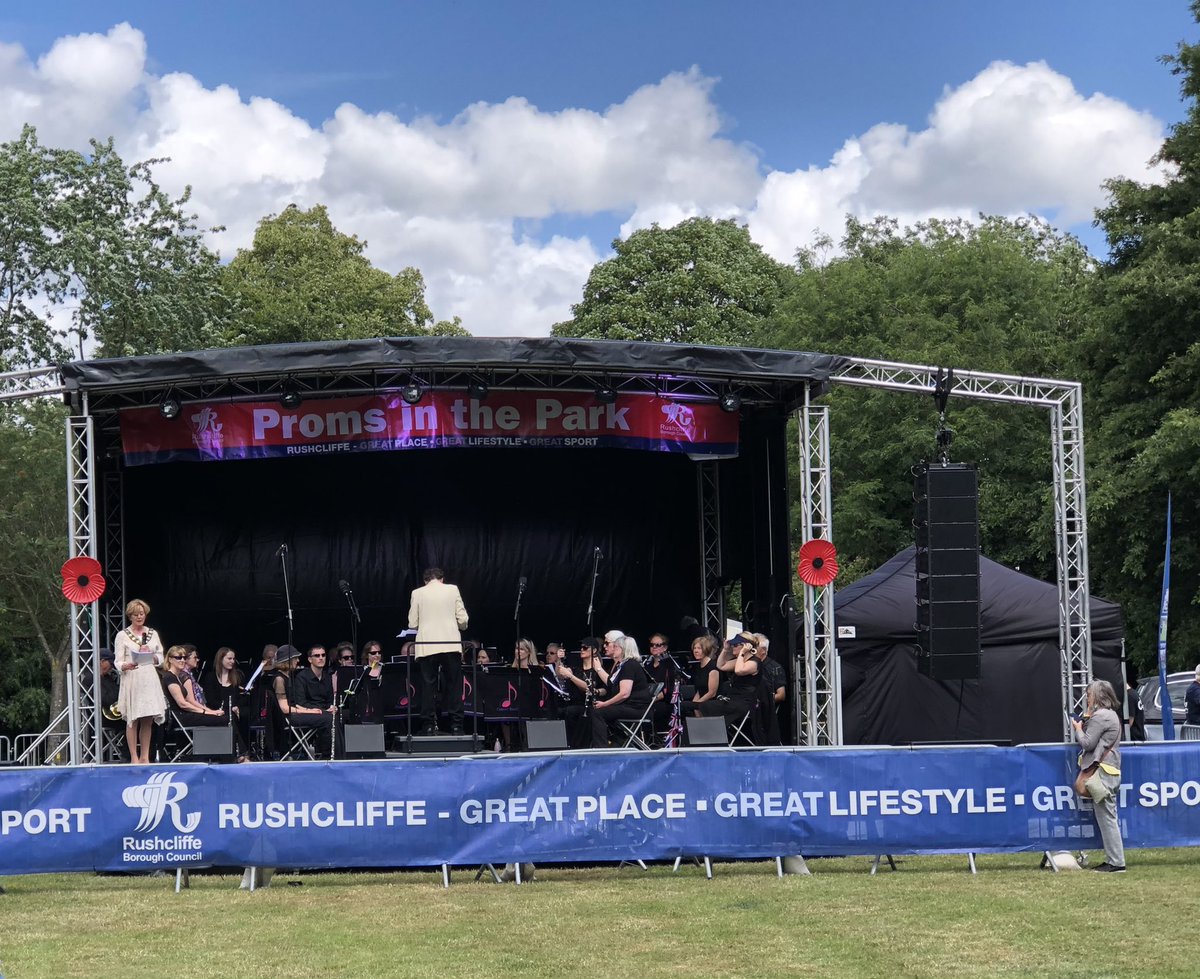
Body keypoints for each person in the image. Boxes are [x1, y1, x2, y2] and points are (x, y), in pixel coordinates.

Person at [1071, 679, 1125, 872]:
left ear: (1097, 696)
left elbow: (1087, 743)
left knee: (1107, 818)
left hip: (1102, 770)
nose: (1086, 698)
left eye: (1089, 694)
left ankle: (1116, 862)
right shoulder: (1110, 715)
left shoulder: (1100, 716)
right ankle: (1114, 860)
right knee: (1108, 817)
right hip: (1108, 769)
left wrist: (1078, 729)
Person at [408, 567, 469, 735]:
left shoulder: (417, 593)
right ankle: (457, 725)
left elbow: (412, 623)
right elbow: (463, 620)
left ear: (426, 581)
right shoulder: (452, 589)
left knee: (428, 686)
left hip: (427, 645)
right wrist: (458, 626)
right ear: (442, 579)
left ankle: (428, 725)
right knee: (454, 685)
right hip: (450, 643)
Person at [113, 598, 167, 764]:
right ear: (130, 616)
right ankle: (134, 757)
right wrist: (125, 665)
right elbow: (117, 660)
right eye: (136, 614)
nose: (139, 617)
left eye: (141, 614)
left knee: (147, 718)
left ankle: (145, 756)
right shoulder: (122, 635)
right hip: (132, 677)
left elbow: (161, 657)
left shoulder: (152, 634)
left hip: (149, 676)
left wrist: (152, 656)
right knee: (132, 718)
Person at [590, 632, 654, 748]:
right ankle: (616, 743)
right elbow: (611, 683)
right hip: (630, 706)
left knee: (598, 712)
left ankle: (600, 748)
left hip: (637, 708)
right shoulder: (623, 665)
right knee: (596, 711)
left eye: (616, 647)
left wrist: (605, 704)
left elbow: (624, 693)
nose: (613, 649)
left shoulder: (630, 665)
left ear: (623, 649)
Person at [694, 633, 761, 735]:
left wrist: (742, 652)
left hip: (745, 702)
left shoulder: (754, 662)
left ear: (746, 646)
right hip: (733, 699)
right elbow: (721, 665)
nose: (732, 647)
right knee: (705, 705)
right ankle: (708, 735)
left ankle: (713, 735)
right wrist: (725, 650)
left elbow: (739, 671)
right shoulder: (740, 660)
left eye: (735, 645)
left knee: (708, 706)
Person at [558, 637, 608, 747]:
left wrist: (571, 676)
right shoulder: (576, 667)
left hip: (589, 705)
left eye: (585, 648)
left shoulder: (598, 669)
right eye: (581, 647)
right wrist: (559, 660)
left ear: (594, 650)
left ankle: (577, 745)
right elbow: (561, 674)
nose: (582, 650)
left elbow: (589, 687)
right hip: (574, 703)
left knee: (572, 711)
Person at [203, 646, 249, 759]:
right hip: (216, 711)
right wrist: (226, 708)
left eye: (233, 659)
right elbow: (210, 700)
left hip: (234, 710)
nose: (232, 661)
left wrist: (237, 706)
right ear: (220, 659)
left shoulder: (237, 676)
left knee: (240, 715)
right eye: (229, 658)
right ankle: (242, 752)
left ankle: (239, 753)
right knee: (229, 718)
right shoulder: (210, 677)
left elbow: (242, 697)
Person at [98, 648, 129, 761]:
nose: (111, 667)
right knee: (132, 722)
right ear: (101, 661)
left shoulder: (109, 678)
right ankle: (127, 754)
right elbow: (104, 699)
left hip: (115, 712)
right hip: (103, 717)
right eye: (110, 663)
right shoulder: (90, 678)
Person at [644, 633, 677, 733]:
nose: (654, 647)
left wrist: (650, 701)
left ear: (665, 647)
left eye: (658, 645)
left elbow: (667, 690)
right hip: (647, 700)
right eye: (652, 645)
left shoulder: (669, 665)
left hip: (662, 702)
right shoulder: (647, 665)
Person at [685, 634, 720, 714]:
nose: (696, 651)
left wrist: (696, 704)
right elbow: (699, 690)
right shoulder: (698, 666)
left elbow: (712, 693)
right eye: (694, 648)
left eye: (699, 648)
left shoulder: (712, 667)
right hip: (701, 700)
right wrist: (694, 703)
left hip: (712, 702)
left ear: (706, 649)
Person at [1125, 674, 1146, 742]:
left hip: (1134, 739)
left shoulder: (1129, 696)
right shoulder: (1134, 693)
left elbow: (1130, 720)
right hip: (1139, 735)